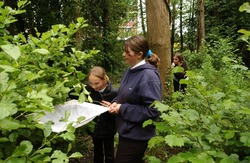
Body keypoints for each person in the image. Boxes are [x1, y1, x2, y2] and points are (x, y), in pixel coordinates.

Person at [108, 35, 162, 163]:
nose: (123, 54)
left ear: (139, 54)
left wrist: (122, 108)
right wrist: (115, 102)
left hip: (137, 136)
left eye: (127, 52)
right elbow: (124, 95)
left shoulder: (148, 77)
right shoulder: (130, 70)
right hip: (126, 131)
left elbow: (154, 110)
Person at [86, 66, 117, 163]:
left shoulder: (113, 92)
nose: (94, 86)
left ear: (104, 80)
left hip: (109, 129)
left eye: (96, 83)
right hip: (95, 128)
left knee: (109, 153)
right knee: (97, 152)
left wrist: (112, 107)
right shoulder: (88, 90)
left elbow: (119, 110)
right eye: (91, 83)